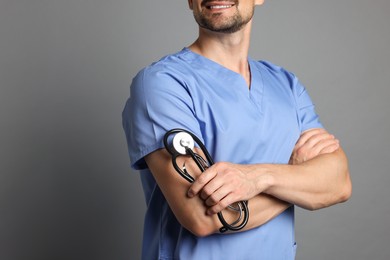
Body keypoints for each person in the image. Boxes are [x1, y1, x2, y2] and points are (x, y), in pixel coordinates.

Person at [122, 0, 352, 259]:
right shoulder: (162, 84)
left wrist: (261, 178)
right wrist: (298, 179)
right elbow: (202, 216)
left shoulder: (286, 85)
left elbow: (339, 183)